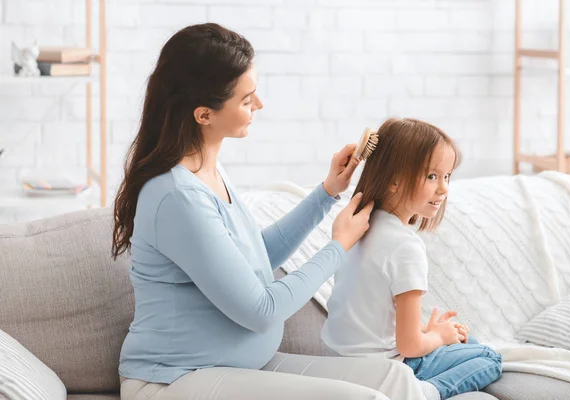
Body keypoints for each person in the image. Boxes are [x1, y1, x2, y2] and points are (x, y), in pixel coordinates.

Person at [112, 23, 425, 400]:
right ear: (203, 115)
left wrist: (326, 193)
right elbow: (262, 309)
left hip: (239, 369)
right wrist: (338, 247)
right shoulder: (176, 196)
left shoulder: (208, 173)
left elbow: (255, 260)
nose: (258, 106)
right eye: (246, 100)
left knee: (396, 380)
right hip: (174, 381)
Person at [321, 118, 503, 400]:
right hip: (390, 370)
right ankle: (427, 392)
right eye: (432, 176)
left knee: (462, 341)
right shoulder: (405, 247)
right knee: (488, 356)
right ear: (394, 180)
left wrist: (429, 331)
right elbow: (408, 346)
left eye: (447, 177)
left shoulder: (355, 229)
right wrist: (438, 337)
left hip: (346, 363)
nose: (443, 189)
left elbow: (370, 319)